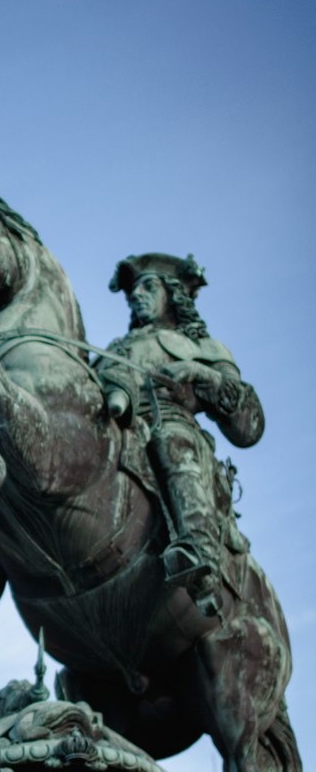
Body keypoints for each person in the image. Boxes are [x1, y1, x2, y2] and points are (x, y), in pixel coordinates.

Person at [97, 252, 264, 618]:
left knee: (172, 439)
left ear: (173, 293)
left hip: (170, 426)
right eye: (133, 291)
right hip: (113, 423)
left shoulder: (203, 348)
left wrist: (204, 376)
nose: (136, 295)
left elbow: (248, 427)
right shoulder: (113, 350)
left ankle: (200, 553)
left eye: (148, 286)